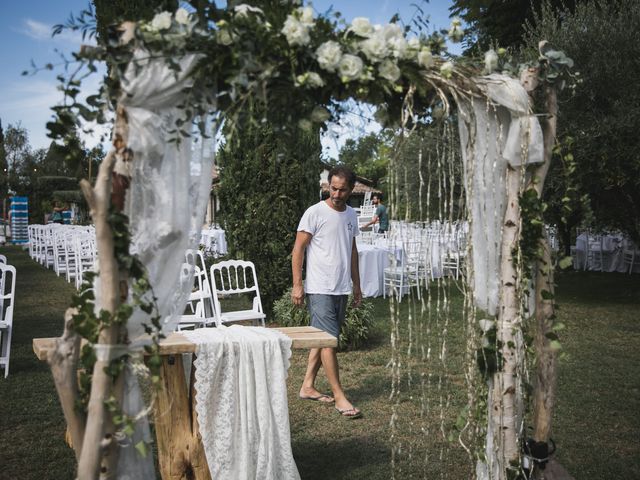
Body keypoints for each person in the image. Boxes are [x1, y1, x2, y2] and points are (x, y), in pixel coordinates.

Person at [291, 165, 363, 419]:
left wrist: (357, 284)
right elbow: (298, 249)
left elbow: (352, 250)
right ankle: (340, 397)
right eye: (332, 188)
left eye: (342, 190)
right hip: (320, 287)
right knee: (329, 342)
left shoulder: (352, 215)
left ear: (351, 190)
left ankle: (307, 385)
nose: (336, 193)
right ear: (327, 186)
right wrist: (298, 284)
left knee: (323, 340)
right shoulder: (315, 213)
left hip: (341, 287)